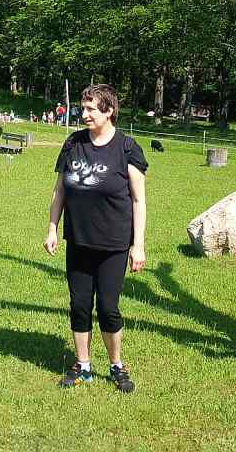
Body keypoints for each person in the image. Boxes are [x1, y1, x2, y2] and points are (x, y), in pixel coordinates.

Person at [44, 84, 147, 393]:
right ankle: (83, 365)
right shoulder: (73, 143)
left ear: (109, 111)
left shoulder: (127, 148)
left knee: (107, 307)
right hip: (78, 240)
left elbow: (139, 200)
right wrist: (52, 228)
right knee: (78, 304)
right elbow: (60, 190)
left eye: (91, 109)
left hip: (113, 244)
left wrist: (138, 245)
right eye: (84, 107)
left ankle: (116, 365)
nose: (84, 113)